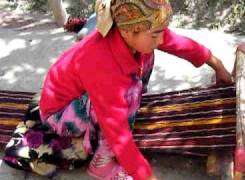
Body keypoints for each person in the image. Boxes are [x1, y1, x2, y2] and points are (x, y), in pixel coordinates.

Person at [3, 0, 232, 179]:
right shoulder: (105, 68)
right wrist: (147, 176)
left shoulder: (132, 28)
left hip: (82, 91)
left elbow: (178, 43)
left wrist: (217, 65)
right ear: (126, 32)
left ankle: (125, 105)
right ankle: (101, 165)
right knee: (128, 89)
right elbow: (119, 136)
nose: (162, 38)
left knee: (143, 61)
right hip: (59, 112)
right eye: (155, 34)